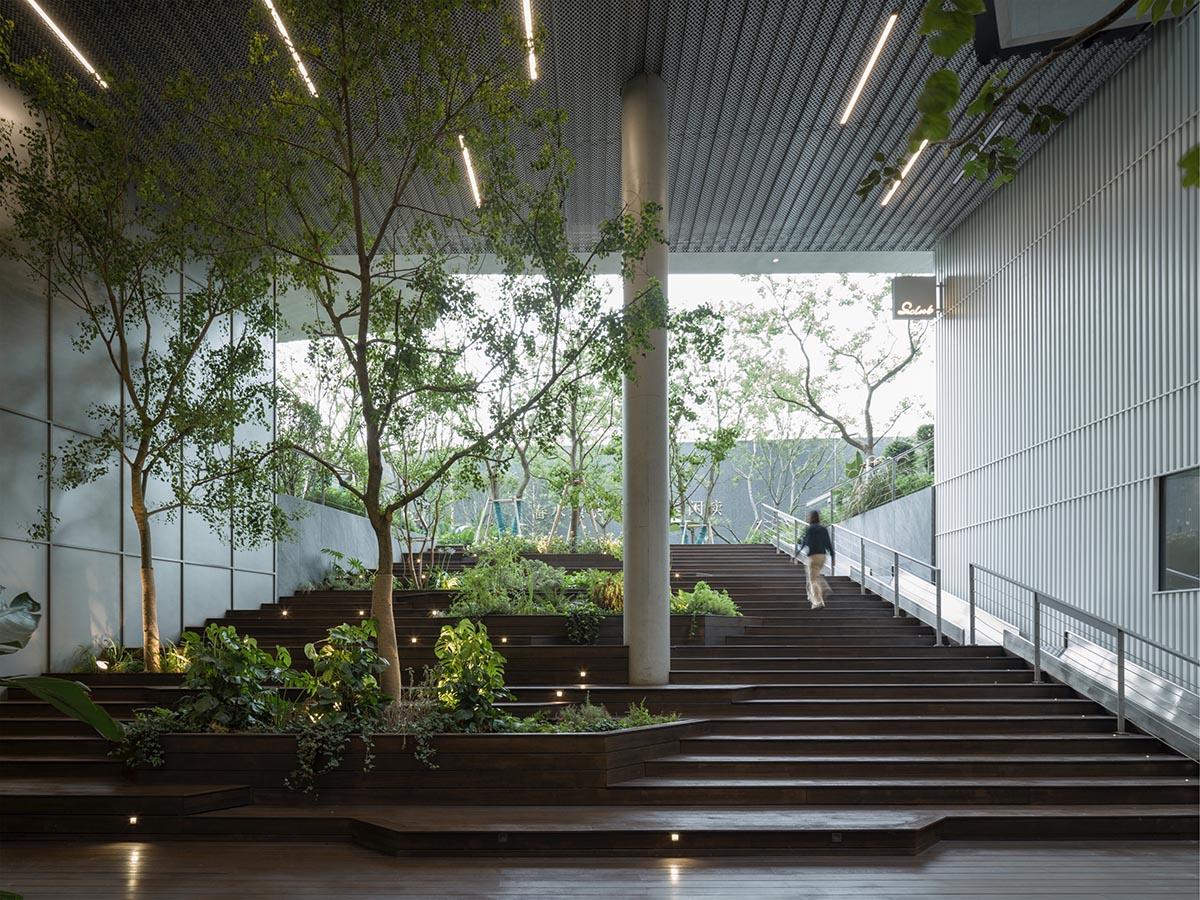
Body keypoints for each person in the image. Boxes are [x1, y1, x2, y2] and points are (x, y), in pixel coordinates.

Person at [798, 510, 834, 609]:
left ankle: (819, 601)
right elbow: (828, 543)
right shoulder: (823, 529)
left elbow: (804, 542)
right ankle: (823, 589)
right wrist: (833, 556)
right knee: (816, 576)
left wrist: (796, 555)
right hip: (822, 556)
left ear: (810, 518)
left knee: (812, 580)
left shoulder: (809, 529)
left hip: (813, 556)